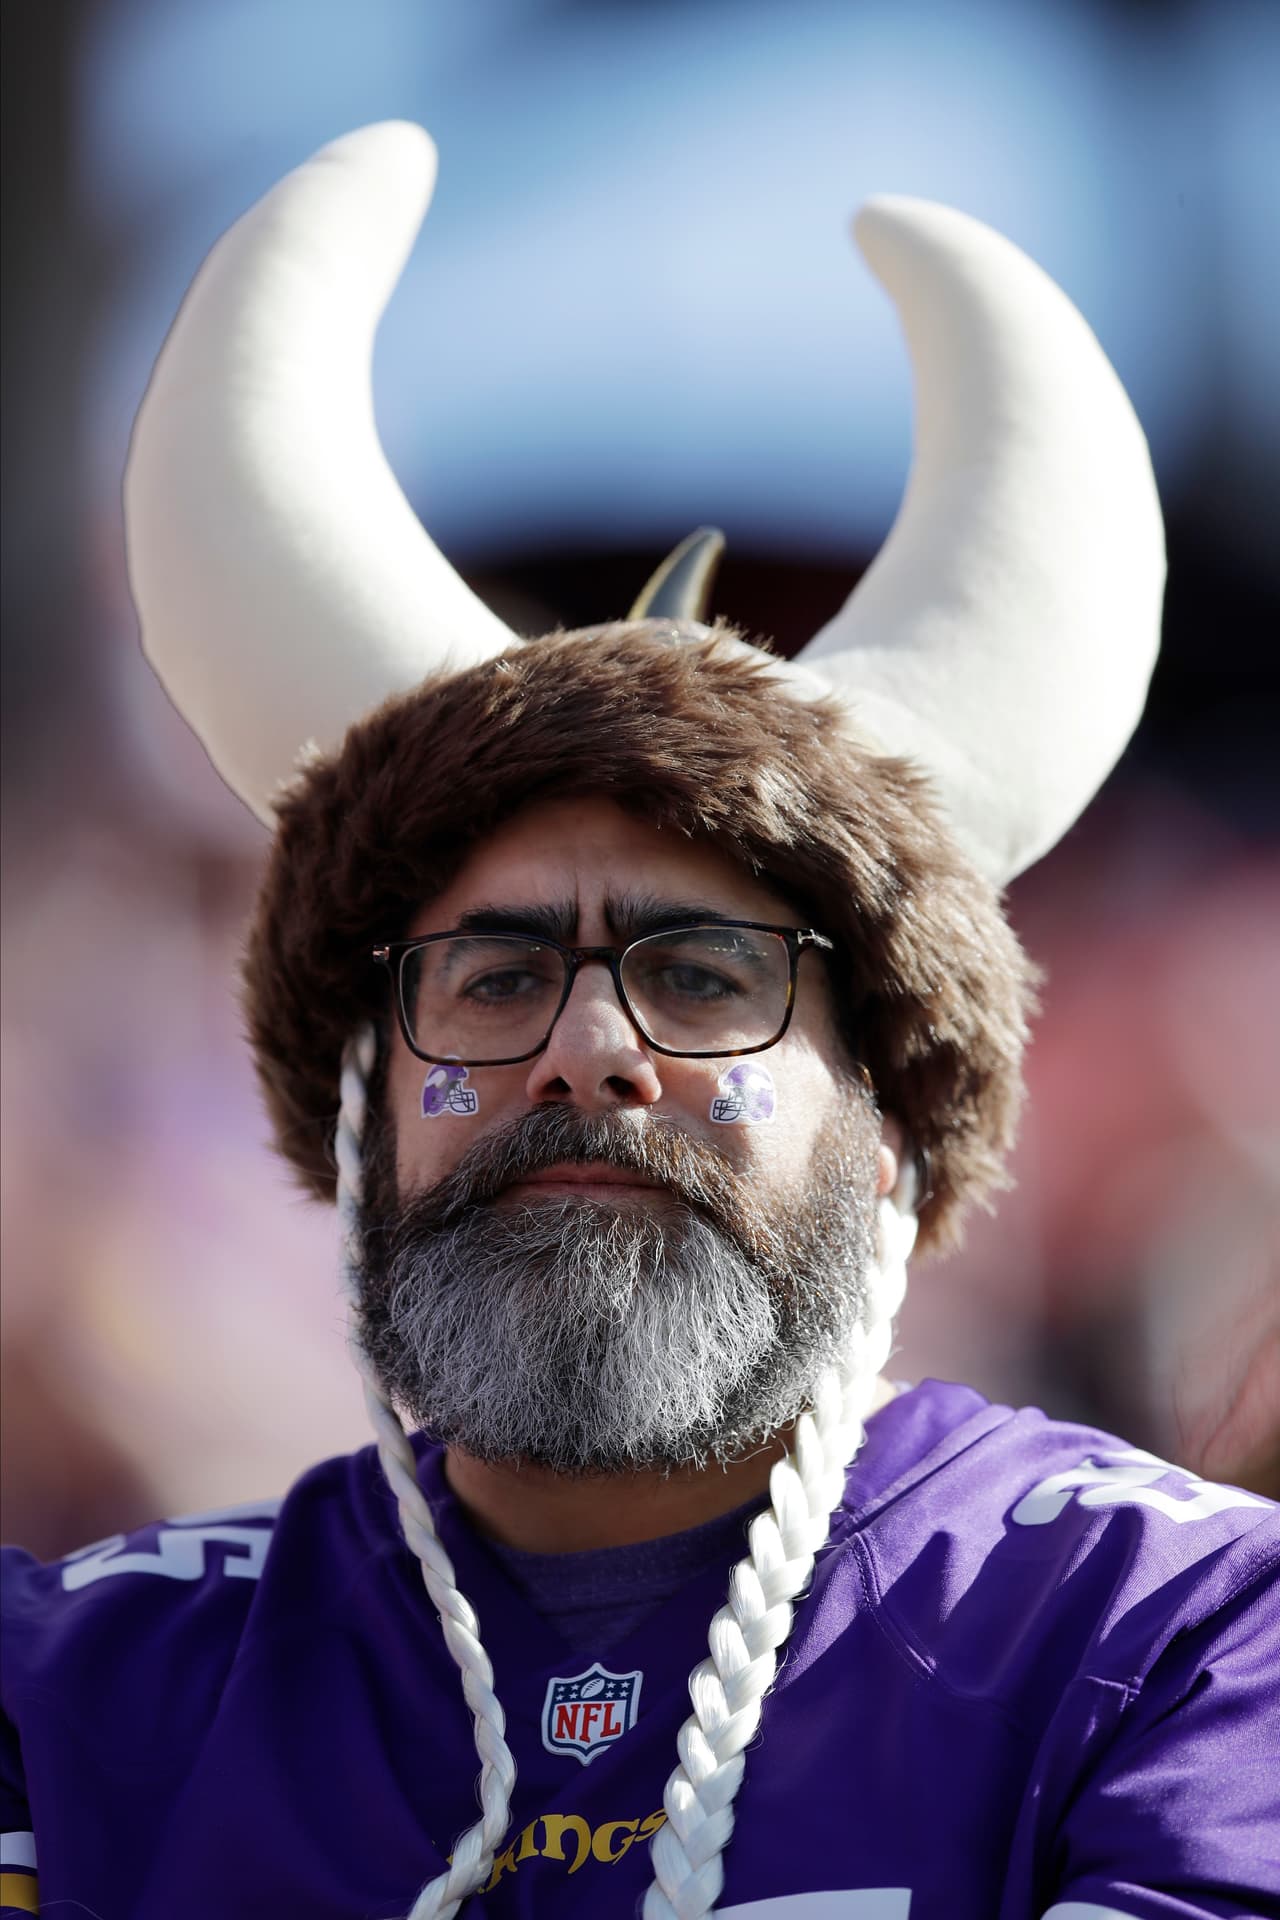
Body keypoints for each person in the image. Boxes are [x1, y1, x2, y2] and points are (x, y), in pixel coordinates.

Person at [1, 123, 1276, 1920]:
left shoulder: (1183, 1637)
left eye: (704, 976)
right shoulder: (65, 1699)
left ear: (891, 1109)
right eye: (497, 976)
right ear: (366, 1107)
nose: (589, 1050)